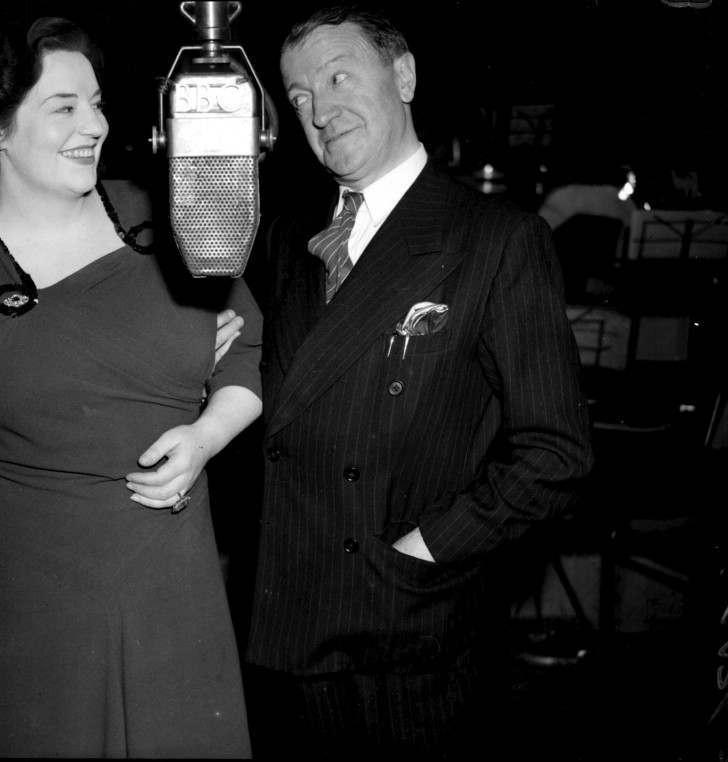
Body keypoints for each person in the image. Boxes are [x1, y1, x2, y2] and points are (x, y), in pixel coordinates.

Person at [0, 17, 261, 758]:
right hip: (22, 618)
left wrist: (206, 436)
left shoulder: (164, 214)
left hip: (172, 596)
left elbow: (251, 346)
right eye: (65, 107)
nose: (97, 126)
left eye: (100, 103)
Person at [243, 5, 594, 759]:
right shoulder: (286, 238)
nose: (320, 110)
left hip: (407, 636)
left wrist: (428, 548)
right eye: (299, 97)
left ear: (402, 76)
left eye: (339, 77)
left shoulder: (495, 240)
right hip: (286, 622)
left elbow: (556, 453)